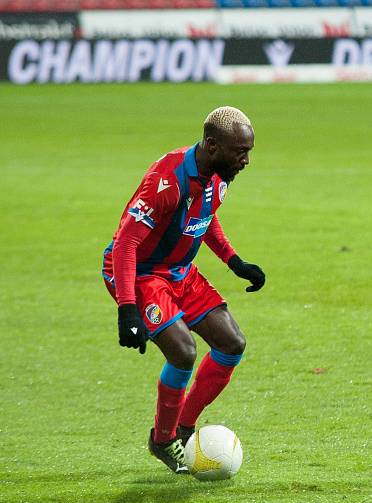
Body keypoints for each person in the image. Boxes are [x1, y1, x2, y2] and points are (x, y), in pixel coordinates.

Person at [102, 106, 266, 474]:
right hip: (139, 273)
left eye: (249, 151)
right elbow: (126, 244)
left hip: (179, 272)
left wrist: (234, 261)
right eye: (240, 151)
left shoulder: (219, 176)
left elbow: (204, 217)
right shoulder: (168, 180)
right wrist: (127, 309)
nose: (246, 160)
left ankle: (183, 427)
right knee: (183, 350)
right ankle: (162, 440)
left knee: (231, 343)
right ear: (212, 145)